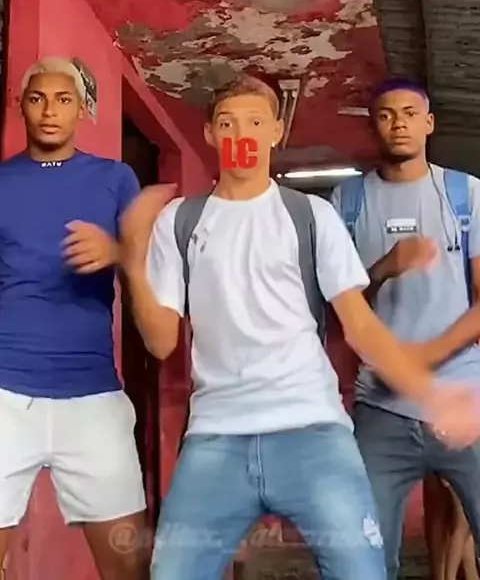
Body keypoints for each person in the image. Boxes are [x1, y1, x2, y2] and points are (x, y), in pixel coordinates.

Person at [120, 73, 480, 580]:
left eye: (254, 122)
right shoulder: (181, 221)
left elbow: (361, 327)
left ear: (276, 132)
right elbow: (161, 342)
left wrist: (431, 393)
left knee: (362, 572)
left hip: (313, 432)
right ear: (210, 135)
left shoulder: (311, 215)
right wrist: (134, 257)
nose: (241, 134)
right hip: (216, 438)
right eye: (227, 123)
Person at [0, 58, 148, 580]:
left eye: (63, 100)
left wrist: (117, 251)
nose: (49, 111)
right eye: (37, 99)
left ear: (82, 110)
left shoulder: (115, 179)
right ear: (20, 107)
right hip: (5, 392)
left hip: (92, 394)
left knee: (128, 565)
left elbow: (151, 268)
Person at [332, 76, 480, 580]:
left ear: (429, 123)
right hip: (381, 410)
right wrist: (383, 268)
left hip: (463, 400)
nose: (399, 124)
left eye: (410, 114)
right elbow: (340, 305)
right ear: (373, 126)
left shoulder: (465, 193)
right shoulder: (347, 200)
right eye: (386, 115)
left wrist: (425, 357)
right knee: (365, 558)